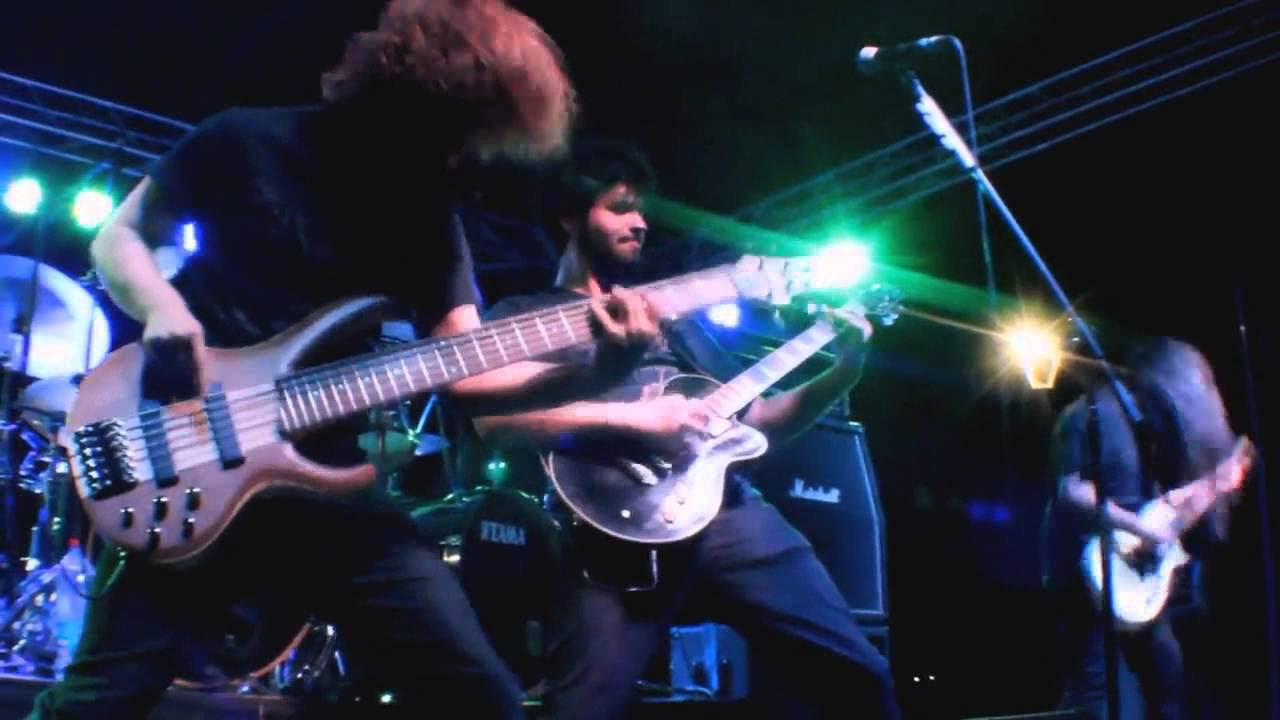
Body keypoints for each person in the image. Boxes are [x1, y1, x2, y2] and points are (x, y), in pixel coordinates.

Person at [27, 3, 666, 718]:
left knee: (482, 699)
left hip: (328, 485)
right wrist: (162, 309)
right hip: (192, 455)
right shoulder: (244, 140)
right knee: (97, 703)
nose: (461, 155)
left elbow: (465, 370)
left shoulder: (427, 215)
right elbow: (120, 236)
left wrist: (597, 372)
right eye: (452, 130)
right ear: (402, 94)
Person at [466, 139, 901, 719]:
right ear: (570, 217)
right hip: (604, 531)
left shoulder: (678, 321)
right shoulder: (524, 316)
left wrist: (844, 369)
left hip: (724, 513)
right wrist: (635, 418)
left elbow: (761, 420)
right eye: (620, 208)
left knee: (860, 674)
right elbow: (494, 423)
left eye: (642, 212)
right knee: (580, 709)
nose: (640, 223)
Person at [1041, 337, 1250, 720]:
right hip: (1093, 577)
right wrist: (1140, 527)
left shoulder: (1147, 426)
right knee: (1101, 697)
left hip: (1141, 580)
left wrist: (1216, 484)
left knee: (1171, 688)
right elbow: (1072, 491)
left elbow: (1163, 508)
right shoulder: (1085, 415)